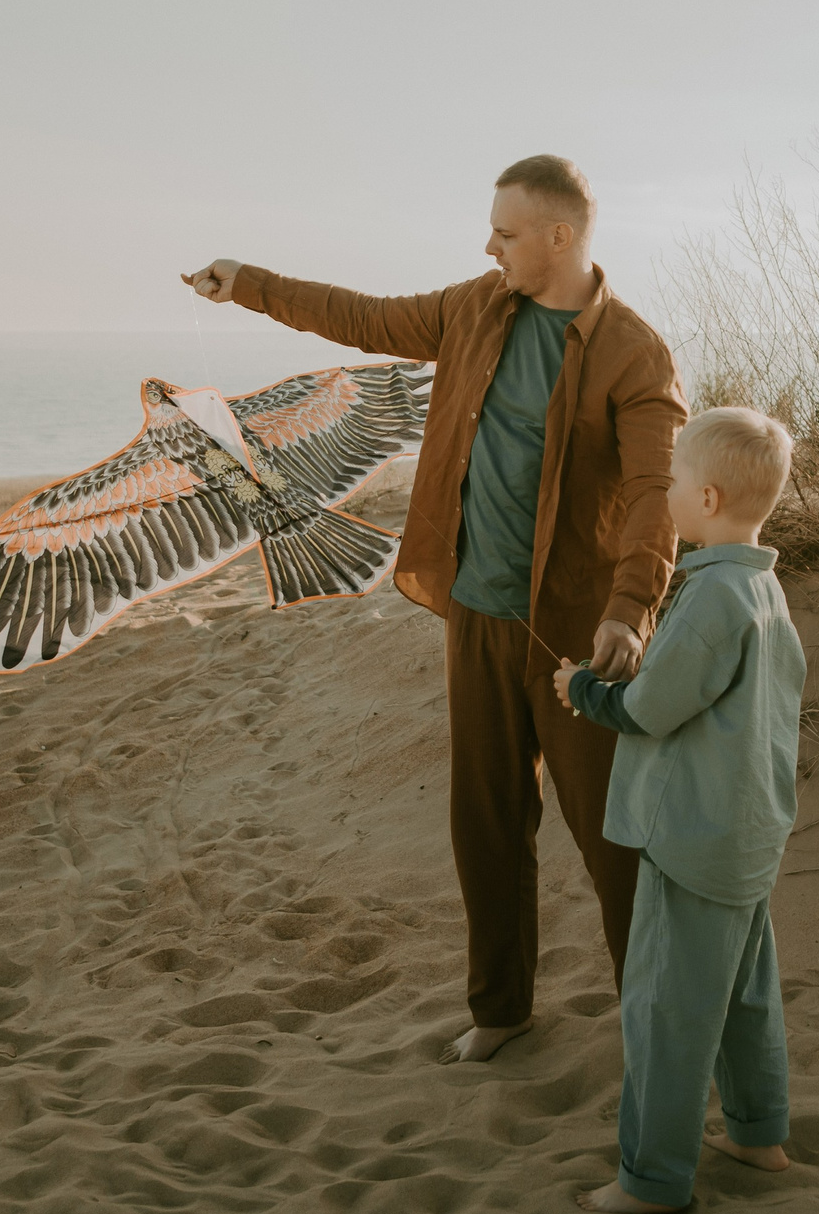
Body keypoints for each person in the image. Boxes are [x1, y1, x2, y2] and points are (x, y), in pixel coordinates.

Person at [184, 155, 686, 1065]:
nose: (488, 244)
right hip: (476, 616)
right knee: (486, 823)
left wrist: (631, 607)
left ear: (560, 236)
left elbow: (656, 491)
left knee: (614, 837)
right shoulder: (475, 308)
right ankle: (501, 1011)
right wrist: (249, 285)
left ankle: (655, 1018)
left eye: (506, 231)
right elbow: (364, 317)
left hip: (577, 632)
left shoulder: (632, 352)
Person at [552, 406, 805, 1214]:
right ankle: (758, 1133)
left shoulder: (711, 599)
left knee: (665, 1008)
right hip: (749, 835)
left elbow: (653, 708)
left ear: (708, 496)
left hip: (694, 838)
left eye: (673, 486)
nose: (664, 499)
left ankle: (653, 1179)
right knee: (745, 993)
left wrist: (584, 691)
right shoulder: (764, 588)